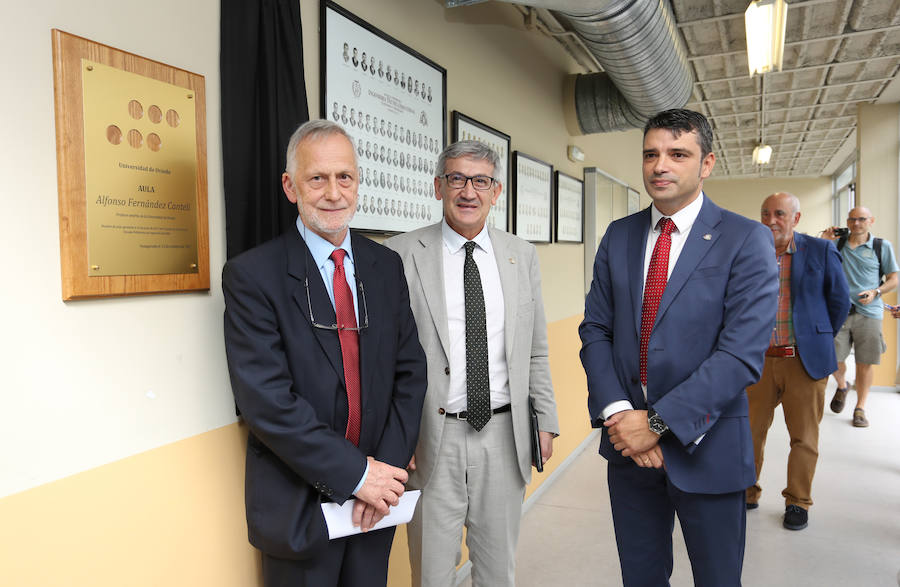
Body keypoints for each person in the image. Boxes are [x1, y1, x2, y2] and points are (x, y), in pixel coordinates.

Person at [222, 120, 427, 586]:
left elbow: (410, 372)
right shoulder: (253, 276)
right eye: (317, 178)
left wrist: (385, 476)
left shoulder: (384, 265)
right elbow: (267, 402)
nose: (333, 193)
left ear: (357, 183)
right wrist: (357, 475)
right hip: (300, 507)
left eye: (344, 178)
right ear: (290, 187)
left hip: (375, 508)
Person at [579, 109, 778, 587]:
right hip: (628, 448)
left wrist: (657, 423)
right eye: (651, 154)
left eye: (677, 154)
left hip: (706, 448)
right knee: (641, 577)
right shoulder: (620, 235)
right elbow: (596, 330)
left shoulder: (745, 239)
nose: (660, 165)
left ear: (706, 164)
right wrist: (621, 416)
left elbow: (739, 356)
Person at [385, 140, 559, 587]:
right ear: (439, 186)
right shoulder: (400, 254)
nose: (468, 191)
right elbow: (385, 356)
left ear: (496, 191)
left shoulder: (522, 255)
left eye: (480, 181)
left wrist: (546, 418)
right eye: (457, 179)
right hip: (430, 436)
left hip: (504, 433)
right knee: (431, 570)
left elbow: (535, 347)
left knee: (498, 570)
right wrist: (395, 436)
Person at [746, 192, 849, 531]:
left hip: (803, 361)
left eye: (779, 213)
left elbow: (839, 302)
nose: (771, 220)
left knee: (803, 437)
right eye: (765, 214)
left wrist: (814, 337)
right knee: (749, 433)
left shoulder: (820, 250)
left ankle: (797, 502)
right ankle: (746, 491)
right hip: (757, 362)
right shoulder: (749, 251)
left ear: (796, 218)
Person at [823, 207, 899, 427]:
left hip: (870, 312)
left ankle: (860, 408)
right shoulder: (837, 243)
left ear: (871, 221)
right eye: (852, 219)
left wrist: (876, 292)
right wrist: (824, 240)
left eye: (861, 219)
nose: (856, 223)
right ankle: (842, 386)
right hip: (839, 312)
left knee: (865, 362)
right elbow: (818, 266)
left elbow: (894, 279)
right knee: (833, 360)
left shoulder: (881, 246)